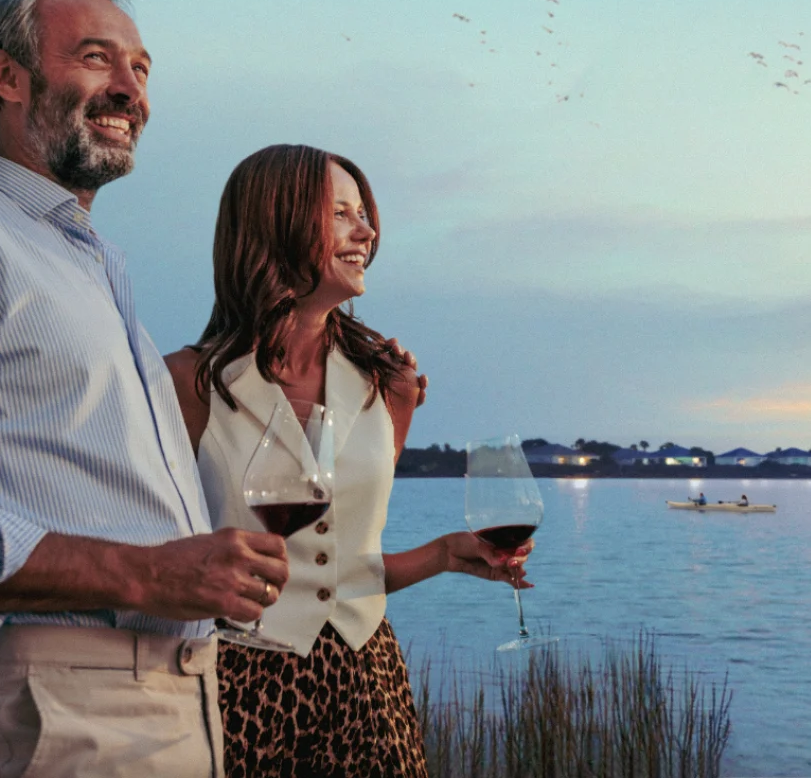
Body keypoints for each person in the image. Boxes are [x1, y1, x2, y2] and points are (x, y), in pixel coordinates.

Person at [0, 0, 295, 777]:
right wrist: (147, 573)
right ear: (8, 78)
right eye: (96, 58)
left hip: (180, 704)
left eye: (142, 70)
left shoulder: (102, 271)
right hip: (68, 706)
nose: (129, 90)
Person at [165, 145, 535, 778]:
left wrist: (445, 554)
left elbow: (343, 568)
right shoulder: (186, 385)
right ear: (274, 221)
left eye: (364, 214)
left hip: (368, 685)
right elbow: (161, 561)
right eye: (340, 214)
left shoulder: (388, 383)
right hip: (234, 686)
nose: (366, 231)